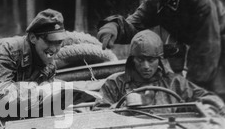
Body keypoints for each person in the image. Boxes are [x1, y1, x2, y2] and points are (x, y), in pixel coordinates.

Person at [97, 0, 225, 97]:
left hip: (218, 44)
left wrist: (191, 90)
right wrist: (113, 27)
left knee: (214, 96)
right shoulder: (155, 1)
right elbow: (134, 24)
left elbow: (207, 48)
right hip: (195, 46)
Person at [95, 30, 225, 114]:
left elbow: (206, 97)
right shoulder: (115, 83)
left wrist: (210, 105)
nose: (146, 66)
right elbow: (97, 114)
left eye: (151, 60)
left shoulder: (175, 82)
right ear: (132, 59)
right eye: (140, 59)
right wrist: (121, 107)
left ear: (159, 59)